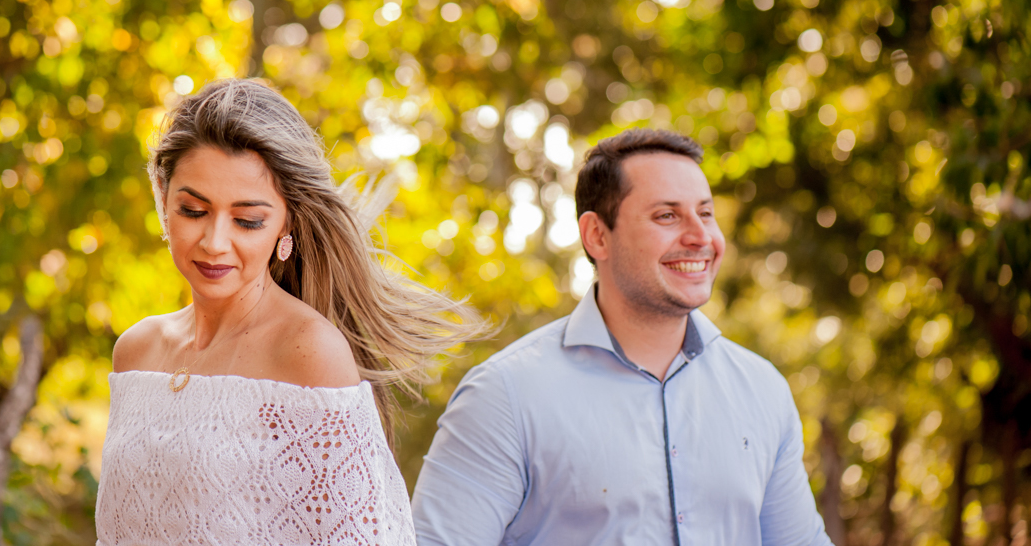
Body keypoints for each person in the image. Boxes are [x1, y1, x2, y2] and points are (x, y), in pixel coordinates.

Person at [95, 78, 486, 546]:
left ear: (287, 221)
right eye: (193, 210)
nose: (215, 242)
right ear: (163, 199)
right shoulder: (136, 351)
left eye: (248, 221)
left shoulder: (309, 352)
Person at [411, 128, 834, 546]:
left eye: (705, 214)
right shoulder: (504, 397)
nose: (701, 237)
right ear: (597, 235)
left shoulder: (762, 390)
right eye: (667, 216)